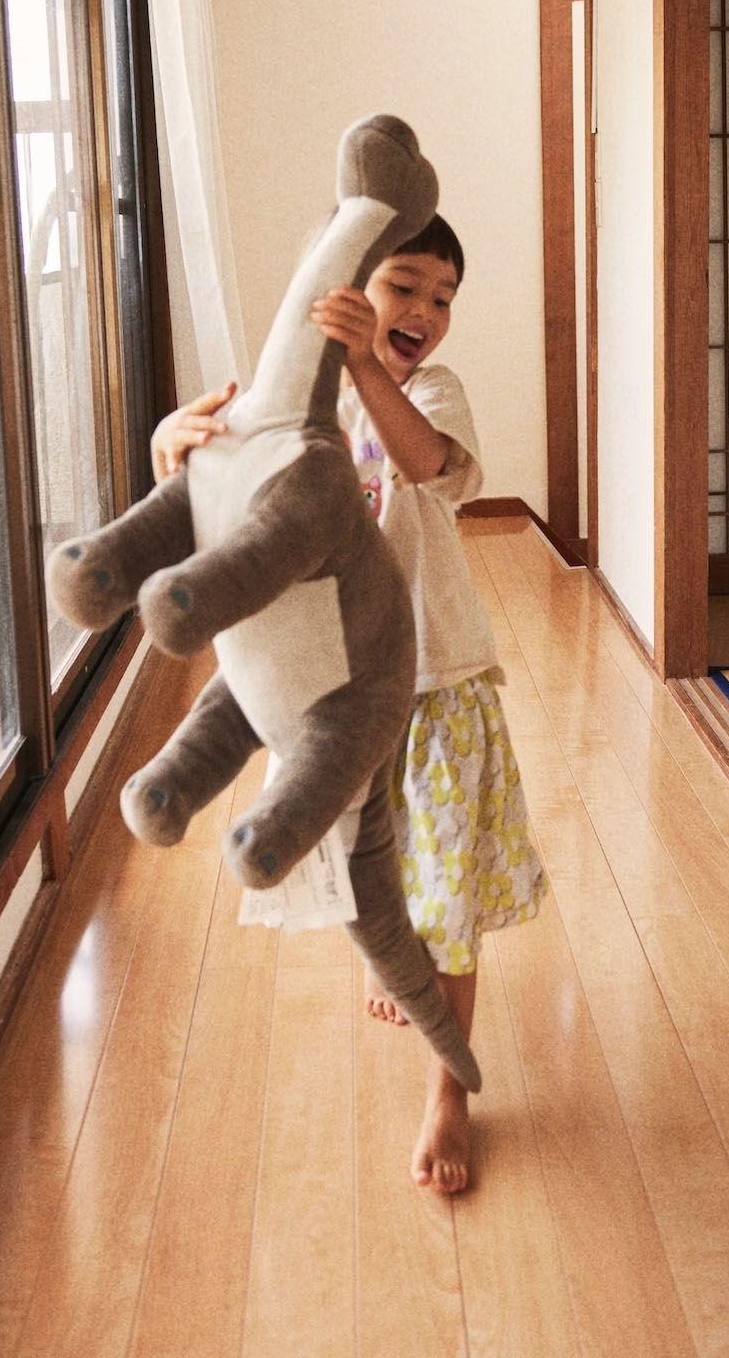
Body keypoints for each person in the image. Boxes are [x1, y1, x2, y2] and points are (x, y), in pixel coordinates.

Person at [152, 214, 544, 1196]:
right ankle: (388, 955)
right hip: (329, 696)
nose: (423, 312)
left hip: (437, 680)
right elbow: (219, 495)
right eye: (401, 286)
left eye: (442, 297)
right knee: (368, 866)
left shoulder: (427, 392)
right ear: (335, 292)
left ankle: (448, 1084)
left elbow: (424, 466)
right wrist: (172, 445)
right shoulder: (284, 401)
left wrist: (374, 365)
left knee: (447, 891)